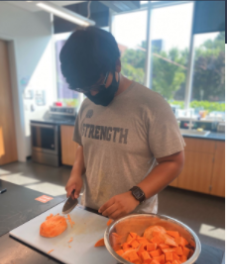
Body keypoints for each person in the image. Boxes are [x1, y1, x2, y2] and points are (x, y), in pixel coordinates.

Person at [60, 26, 185, 220]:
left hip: (135, 216)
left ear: (117, 64)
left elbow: (173, 161)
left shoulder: (152, 105)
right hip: (92, 211)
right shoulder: (86, 106)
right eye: (84, 89)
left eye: (97, 86)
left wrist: (135, 195)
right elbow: (83, 146)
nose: (93, 94)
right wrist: (76, 173)